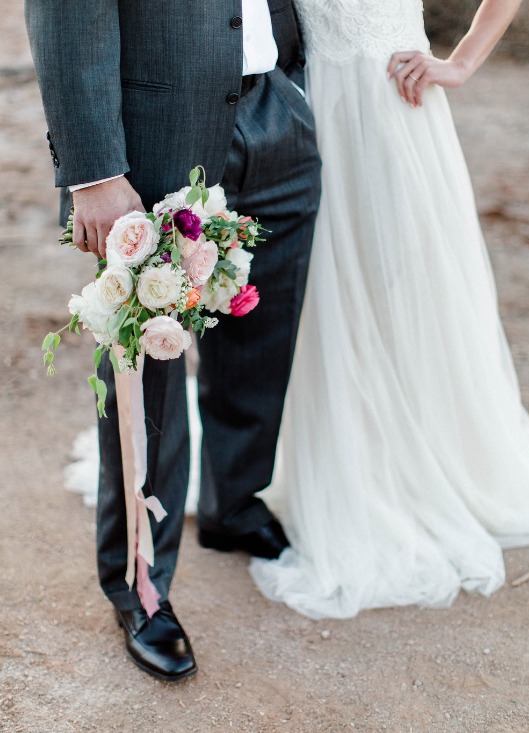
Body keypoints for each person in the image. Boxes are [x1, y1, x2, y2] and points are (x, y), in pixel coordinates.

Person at [25, 1, 321, 679]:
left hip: (277, 106)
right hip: (160, 131)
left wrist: (293, 78)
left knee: (262, 322)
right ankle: (140, 586)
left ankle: (232, 501)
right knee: (148, 357)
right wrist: (94, 170)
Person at [250, 0, 529, 619]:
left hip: (393, 102)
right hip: (311, 106)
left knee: (407, 292)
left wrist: (461, 63)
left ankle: (420, 458)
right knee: (324, 293)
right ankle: (339, 461)